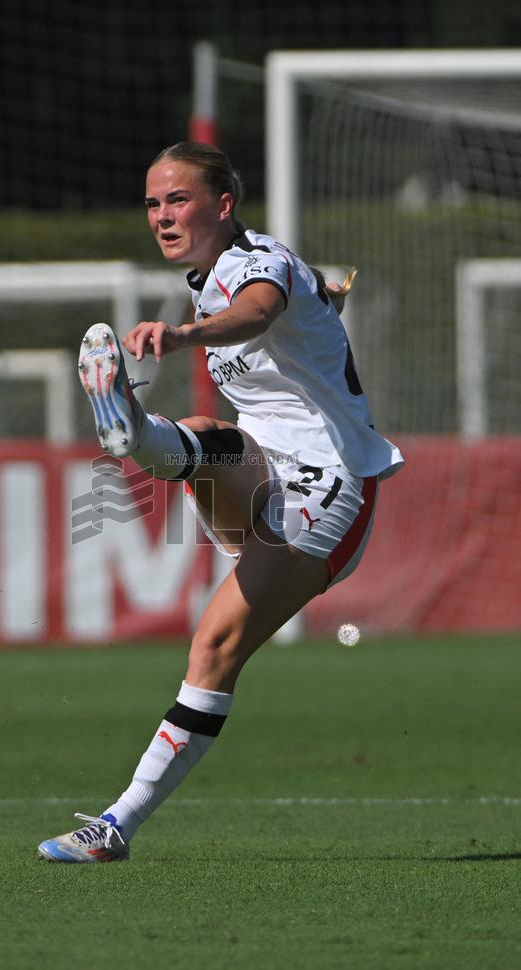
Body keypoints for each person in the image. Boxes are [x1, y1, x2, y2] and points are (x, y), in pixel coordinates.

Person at [37, 142, 403, 863]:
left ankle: (116, 826)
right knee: (204, 438)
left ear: (223, 205)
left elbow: (258, 310)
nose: (162, 215)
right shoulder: (215, 274)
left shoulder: (251, 266)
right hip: (263, 462)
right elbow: (286, 306)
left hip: (327, 488)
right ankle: (134, 431)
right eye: (152, 202)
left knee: (215, 647)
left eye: (178, 199)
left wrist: (181, 335)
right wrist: (325, 298)